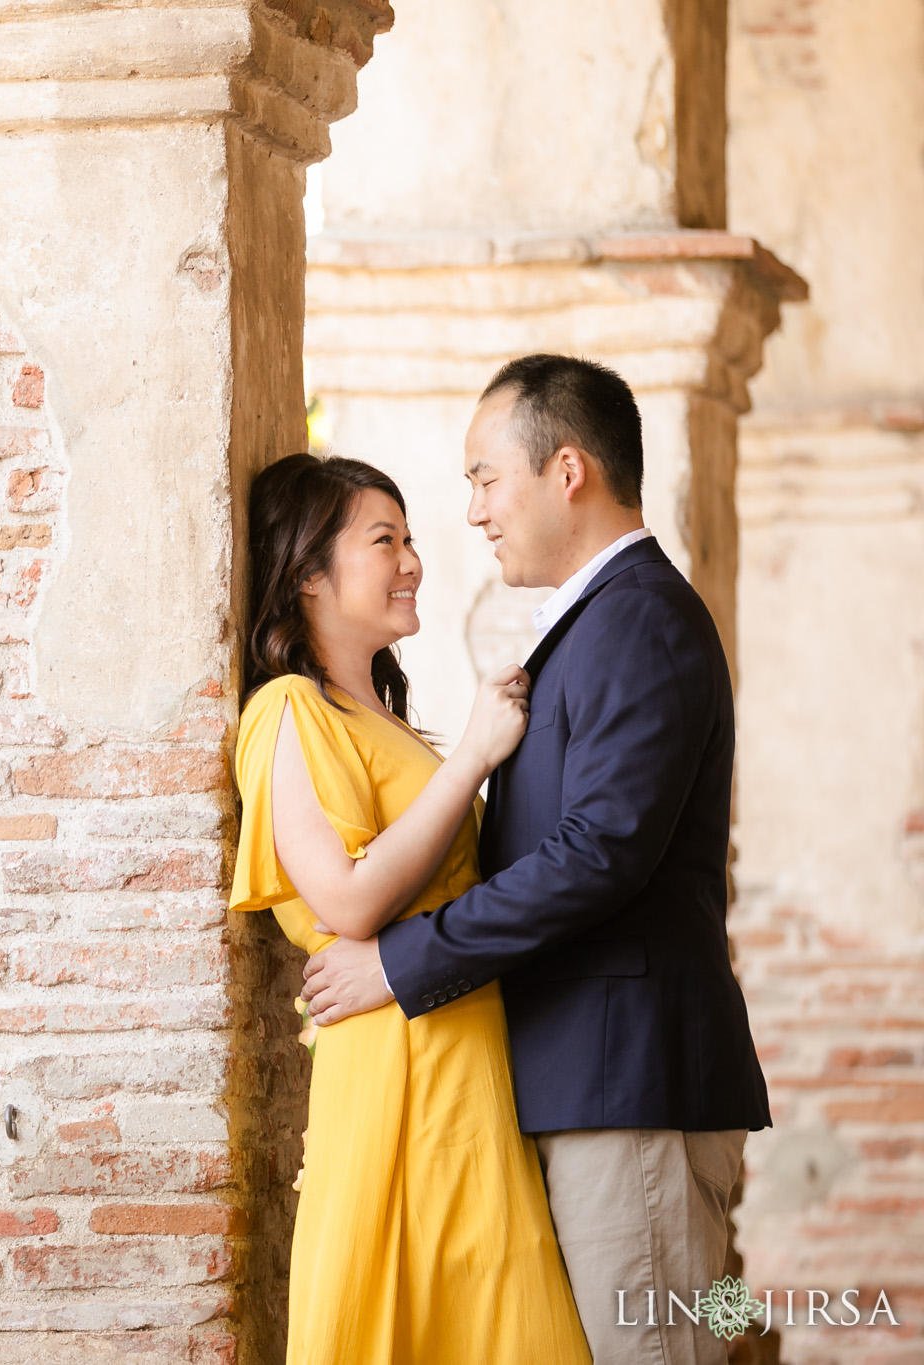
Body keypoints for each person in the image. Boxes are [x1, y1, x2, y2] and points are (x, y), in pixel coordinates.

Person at [300, 354, 772, 1365]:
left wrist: (397, 961)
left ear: (566, 471)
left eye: (482, 477)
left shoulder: (637, 619)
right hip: (602, 1085)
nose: (471, 511)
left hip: (629, 1090)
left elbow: (597, 853)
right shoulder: (604, 620)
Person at [230, 452, 589, 1364]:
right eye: (383, 540)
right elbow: (345, 898)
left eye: (412, 539)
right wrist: (471, 757)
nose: (413, 561)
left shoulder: (380, 719)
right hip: (395, 1068)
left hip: (465, 1063)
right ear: (309, 574)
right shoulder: (288, 712)